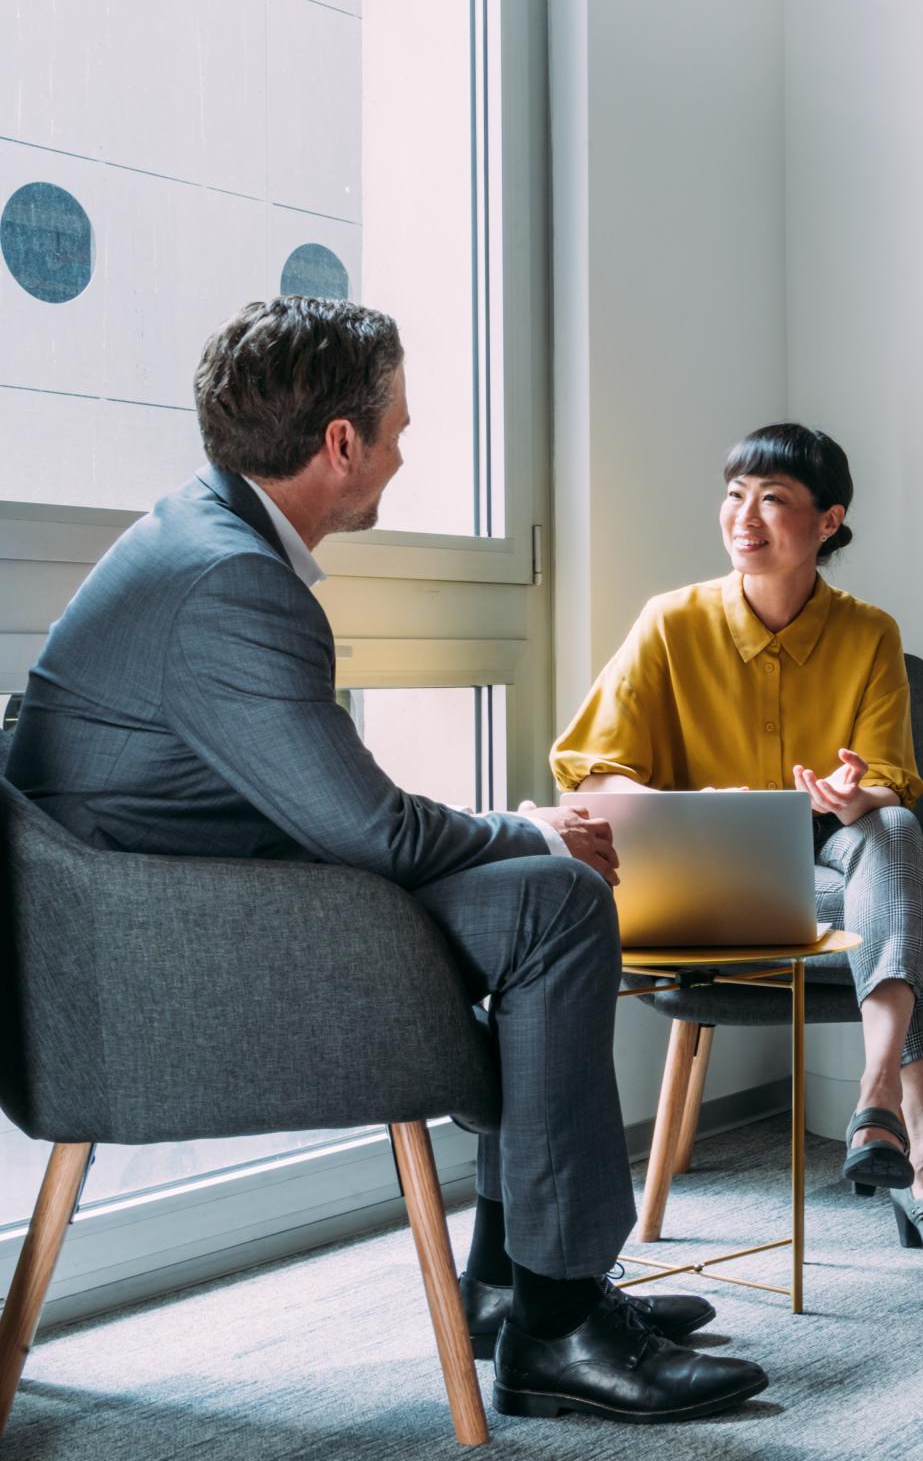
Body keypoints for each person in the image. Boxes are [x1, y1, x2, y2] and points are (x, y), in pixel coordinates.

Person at [3, 297, 770, 1424]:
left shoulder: (197, 535)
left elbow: (336, 810)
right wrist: (533, 826)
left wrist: (518, 834)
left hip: (169, 910)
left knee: (543, 896)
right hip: (161, 957)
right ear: (341, 444)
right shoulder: (232, 583)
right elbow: (370, 832)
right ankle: (558, 1319)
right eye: (399, 427)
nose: (406, 449)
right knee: (554, 897)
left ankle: (520, 1285)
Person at [550, 422, 923, 1268]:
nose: (745, 516)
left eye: (774, 498)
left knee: (898, 830)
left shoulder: (868, 631)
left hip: (836, 856)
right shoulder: (669, 624)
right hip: (716, 877)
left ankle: (877, 1093)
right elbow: (589, 778)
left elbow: (891, 783)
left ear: (828, 521)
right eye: (734, 494)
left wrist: (851, 793)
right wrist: (692, 805)